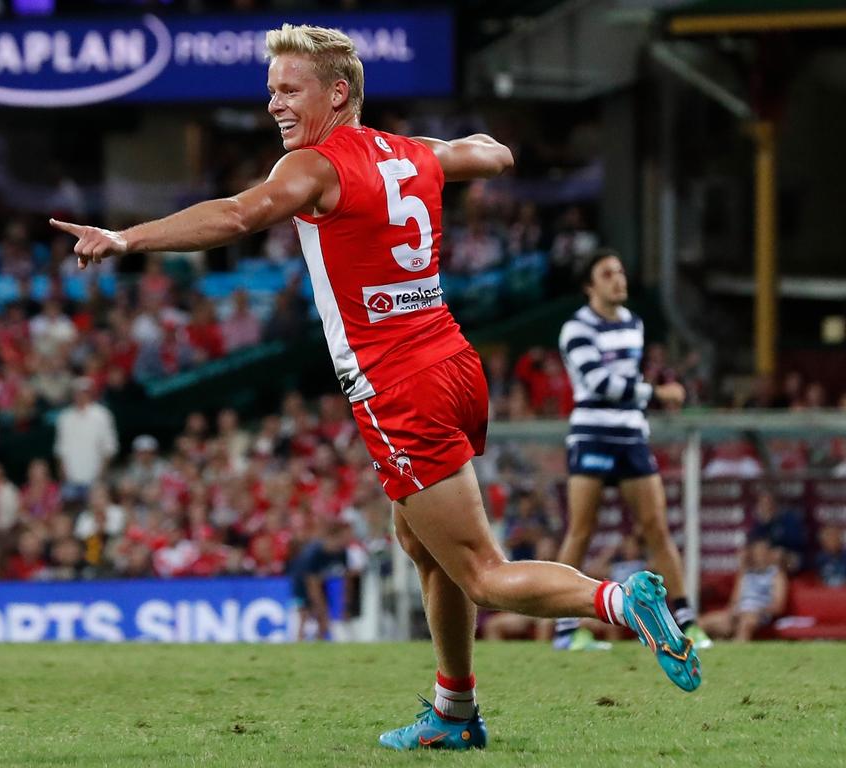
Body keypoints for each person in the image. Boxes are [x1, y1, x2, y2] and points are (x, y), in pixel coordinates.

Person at [50, 23, 700, 751]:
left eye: (288, 90)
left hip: (398, 384)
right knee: (420, 542)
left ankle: (618, 600)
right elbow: (494, 154)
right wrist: (475, 150)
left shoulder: (314, 168)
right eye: (271, 92)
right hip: (454, 364)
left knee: (480, 572)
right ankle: (455, 711)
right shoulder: (410, 154)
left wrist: (126, 238)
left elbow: (236, 215)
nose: (274, 106)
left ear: (338, 92)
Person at [554, 249, 711, 652]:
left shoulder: (633, 324)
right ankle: (566, 631)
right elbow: (602, 383)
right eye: (608, 273)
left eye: (621, 271)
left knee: (657, 528)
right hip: (592, 434)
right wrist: (657, 393)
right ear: (590, 286)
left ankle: (688, 623)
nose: (618, 279)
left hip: (631, 434)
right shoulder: (575, 329)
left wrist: (650, 393)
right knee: (581, 531)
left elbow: (625, 381)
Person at [698, 536, 787, 642]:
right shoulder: (744, 574)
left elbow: (777, 606)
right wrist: (732, 612)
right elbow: (735, 599)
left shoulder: (776, 575)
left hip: (758, 614)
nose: (758, 557)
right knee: (701, 623)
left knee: (746, 622)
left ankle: (737, 647)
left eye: (761, 553)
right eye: (755, 553)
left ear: (768, 554)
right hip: (738, 612)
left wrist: (753, 611)